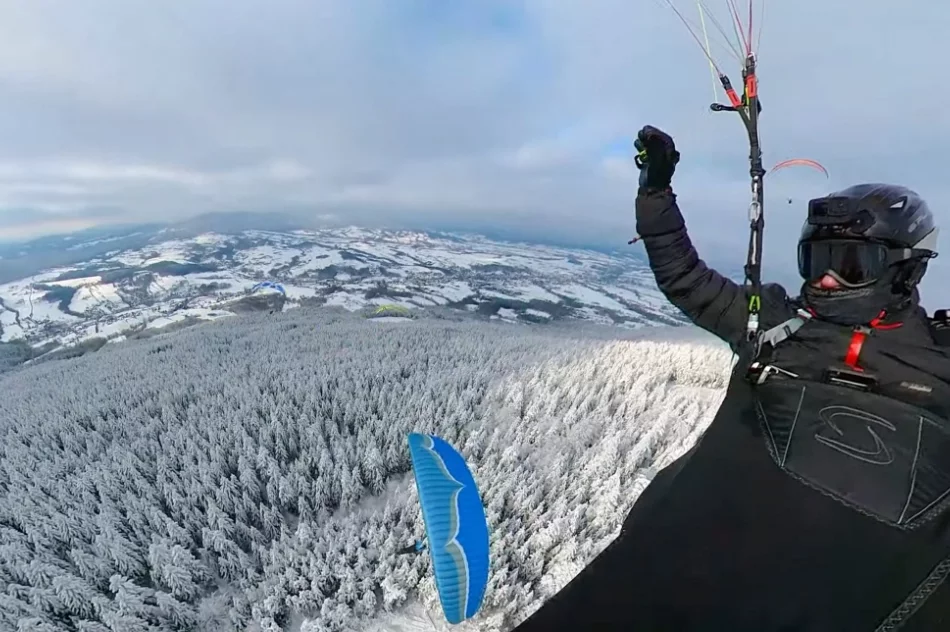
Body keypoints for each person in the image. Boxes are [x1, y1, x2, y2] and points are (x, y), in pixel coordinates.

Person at [513, 126, 950, 631]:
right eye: (818, 261)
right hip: (708, 542)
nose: (826, 280)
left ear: (905, 271)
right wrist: (655, 193)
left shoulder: (938, 357)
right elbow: (687, 280)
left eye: (850, 264)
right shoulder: (778, 320)